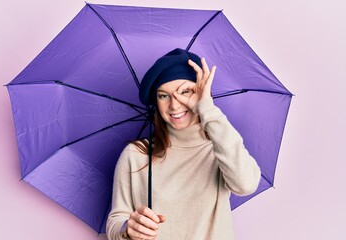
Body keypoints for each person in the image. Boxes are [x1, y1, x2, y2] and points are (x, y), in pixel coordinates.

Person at [106, 48, 261, 240]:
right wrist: (128, 227)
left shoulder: (220, 148)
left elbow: (246, 184)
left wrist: (207, 109)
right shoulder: (136, 154)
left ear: (202, 92)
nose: (174, 105)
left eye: (185, 92)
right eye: (164, 95)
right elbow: (115, 221)